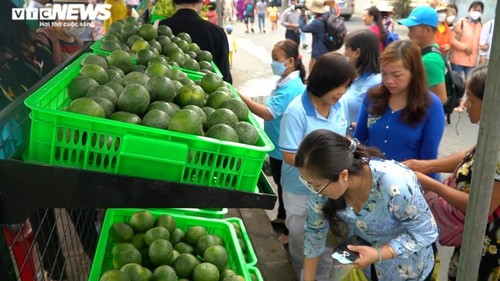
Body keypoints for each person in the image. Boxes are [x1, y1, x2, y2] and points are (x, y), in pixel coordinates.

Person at [296, 129, 438, 281]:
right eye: (308, 184)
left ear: (343, 175)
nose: (314, 191)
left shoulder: (395, 185)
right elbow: (314, 232)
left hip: (410, 269)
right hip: (369, 269)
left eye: (316, 186)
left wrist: (379, 253)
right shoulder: (322, 185)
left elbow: (426, 231)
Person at [403, 64, 500, 281]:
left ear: (492, 104)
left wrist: (431, 184)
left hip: (488, 249)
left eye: (472, 100)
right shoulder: (491, 134)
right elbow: (471, 155)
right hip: (472, 240)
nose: (465, 105)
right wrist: (426, 166)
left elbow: (481, 208)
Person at [279, 53, 357, 281]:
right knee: (300, 238)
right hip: (301, 189)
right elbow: (288, 154)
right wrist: (323, 166)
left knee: (325, 240)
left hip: (330, 187)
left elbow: (341, 139)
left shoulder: (338, 105)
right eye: (338, 86)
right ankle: (298, 272)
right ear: (323, 81)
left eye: (346, 86)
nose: (342, 92)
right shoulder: (297, 112)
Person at [238, 39, 306, 246]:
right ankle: (283, 216)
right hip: (278, 147)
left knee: (286, 188)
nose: (273, 63)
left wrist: (241, 98)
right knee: (280, 185)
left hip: (284, 150)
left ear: (290, 61)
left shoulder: (293, 87)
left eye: (276, 59)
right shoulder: (286, 82)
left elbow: (269, 113)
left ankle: (288, 231)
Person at [354, 40, 445, 180]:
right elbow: (359, 138)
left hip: (409, 185)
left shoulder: (431, 105)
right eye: (384, 74)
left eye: (397, 75)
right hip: (370, 180)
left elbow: (429, 159)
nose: (389, 81)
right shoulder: (372, 96)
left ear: (414, 72)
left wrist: (431, 190)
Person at [159, 0, 233, 83]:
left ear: (174, 2)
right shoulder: (217, 32)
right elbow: (225, 78)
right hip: (206, 91)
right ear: (202, 1)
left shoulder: (158, 27)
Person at [398, 5, 447, 104]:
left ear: (427, 31)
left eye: (412, 30)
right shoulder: (429, 51)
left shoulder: (430, 60)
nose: (408, 34)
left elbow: (441, 99)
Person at [342, 30, 381, 133]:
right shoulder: (348, 76)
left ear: (357, 52)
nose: (344, 53)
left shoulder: (377, 83)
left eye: (346, 48)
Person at [449, 1, 483, 78]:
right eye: (474, 9)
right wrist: (464, 48)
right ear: (469, 10)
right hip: (457, 61)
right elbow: (452, 40)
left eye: (479, 11)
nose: (476, 12)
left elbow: (480, 41)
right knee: (458, 85)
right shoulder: (461, 23)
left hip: (471, 63)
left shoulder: (480, 25)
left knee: (468, 85)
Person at [299, 0, 330, 73]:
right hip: (326, 47)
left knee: (316, 70)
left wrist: (302, 16)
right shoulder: (326, 17)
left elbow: (304, 28)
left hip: (319, 49)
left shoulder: (317, 22)